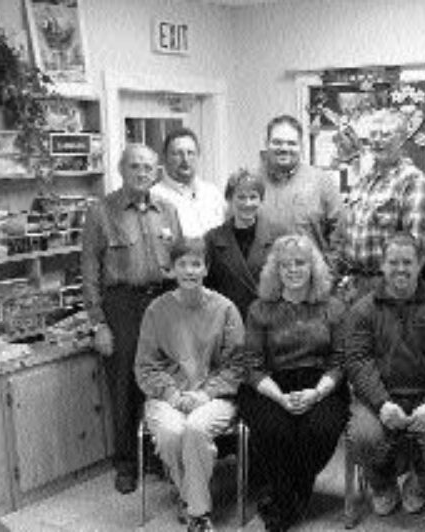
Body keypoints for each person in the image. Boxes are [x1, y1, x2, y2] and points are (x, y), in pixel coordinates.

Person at [81, 143, 183, 494]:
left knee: (162, 378)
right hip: (121, 305)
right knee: (124, 385)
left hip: (163, 303)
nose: (142, 173)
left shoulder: (168, 210)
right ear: (121, 169)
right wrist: (98, 323)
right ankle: (126, 463)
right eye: (135, 166)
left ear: (157, 172)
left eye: (148, 167)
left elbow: (182, 260)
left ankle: (157, 455)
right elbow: (89, 271)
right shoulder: (100, 212)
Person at [236, 234, 349, 532]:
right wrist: (280, 398)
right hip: (270, 384)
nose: (293, 270)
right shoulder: (260, 309)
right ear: (276, 270)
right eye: (285, 265)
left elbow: (340, 361)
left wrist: (317, 393)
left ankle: (284, 496)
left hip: (321, 383)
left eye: (300, 263)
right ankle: (291, 499)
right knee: (276, 430)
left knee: (319, 429)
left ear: (313, 267)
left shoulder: (334, 308)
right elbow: (251, 365)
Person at [345, 233, 425, 516]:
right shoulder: (362, 309)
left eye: (407, 262)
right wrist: (381, 404)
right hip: (379, 397)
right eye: (393, 262)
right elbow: (358, 361)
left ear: (420, 263)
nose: (401, 269)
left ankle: (422, 484)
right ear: (382, 265)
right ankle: (382, 484)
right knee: (363, 436)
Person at [135, 238, 244, 532]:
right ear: (172, 270)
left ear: (206, 269)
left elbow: (237, 365)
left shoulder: (225, 309)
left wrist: (205, 394)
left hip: (214, 396)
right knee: (172, 432)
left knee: (195, 428)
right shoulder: (156, 310)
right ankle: (195, 499)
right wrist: (171, 394)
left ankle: (196, 513)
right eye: (182, 264)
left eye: (196, 264)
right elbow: (145, 365)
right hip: (167, 396)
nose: (189, 270)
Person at [334, 109, 425, 303]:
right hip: (353, 286)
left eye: (385, 134)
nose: (377, 140)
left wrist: (396, 294)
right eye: (373, 134)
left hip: (388, 289)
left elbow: (417, 250)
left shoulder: (413, 182)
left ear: (401, 139)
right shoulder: (364, 179)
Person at [204, 168, 286, 316]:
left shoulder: (279, 236)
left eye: (253, 197)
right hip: (228, 319)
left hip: (268, 319)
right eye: (241, 197)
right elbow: (207, 288)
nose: (247, 203)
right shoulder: (212, 239)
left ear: (261, 200)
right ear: (229, 199)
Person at [259, 115, 342, 255]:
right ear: (266, 143)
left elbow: (340, 234)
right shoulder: (252, 183)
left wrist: (328, 267)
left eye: (291, 143)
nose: (284, 148)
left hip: (311, 269)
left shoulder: (322, 183)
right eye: (277, 142)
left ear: (301, 146)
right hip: (262, 269)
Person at [151, 127, 226, 238]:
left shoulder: (212, 193)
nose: (185, 159)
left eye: (190, 153)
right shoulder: (154, 197)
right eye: (177, 153)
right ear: (164, 158)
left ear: (198, 156)